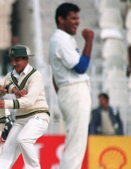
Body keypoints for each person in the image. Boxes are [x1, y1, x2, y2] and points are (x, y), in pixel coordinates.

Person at [48, 3, 94, 169]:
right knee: (76, 145)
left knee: (76, 143)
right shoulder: (60, 39)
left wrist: (63, 94)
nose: (77, 22)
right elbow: (80, 67)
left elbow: (55, 76)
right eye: (73, 18)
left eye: (78, 18)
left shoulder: (61, 39)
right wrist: (89, 40)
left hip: (70, 92)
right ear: (61, 19)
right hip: (74, 92)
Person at [0, 46, 50, 169]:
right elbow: (4, 88)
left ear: (26, 59)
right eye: (12, 60)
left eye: (17, 60)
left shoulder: (35, 75)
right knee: (8, 149)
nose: (14, 63)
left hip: (38, 116)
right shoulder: (10, 76)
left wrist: (5, 104)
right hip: (21, 119)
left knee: (24, 139)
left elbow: (29, 100)